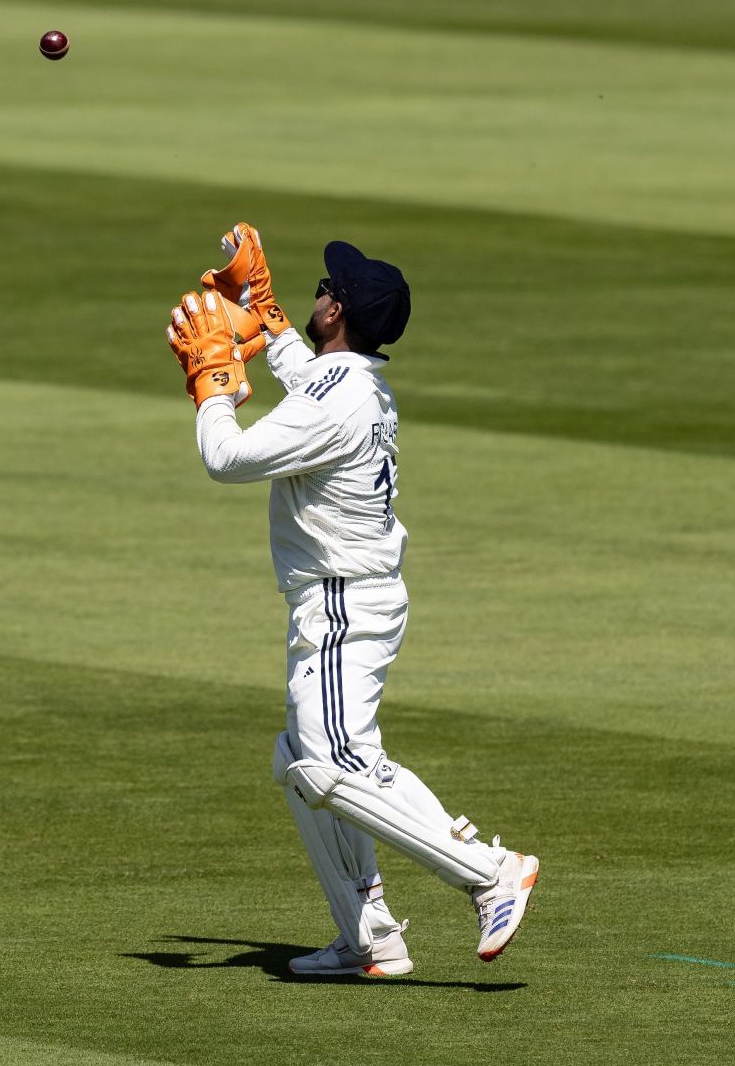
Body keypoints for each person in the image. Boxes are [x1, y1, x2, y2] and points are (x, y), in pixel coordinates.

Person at [164, 224, 541, 976]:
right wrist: (266, 321)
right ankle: (369, 934)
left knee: (331, 761)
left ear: (338, 313)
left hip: (342, 602)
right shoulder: (354, 381)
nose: (318, 291)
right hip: (341, 597)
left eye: (325, 289)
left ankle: (489, 870)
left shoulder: (336, 403)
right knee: (301, 756)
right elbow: (310, 379)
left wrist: (212, 376)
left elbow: (225, 457)